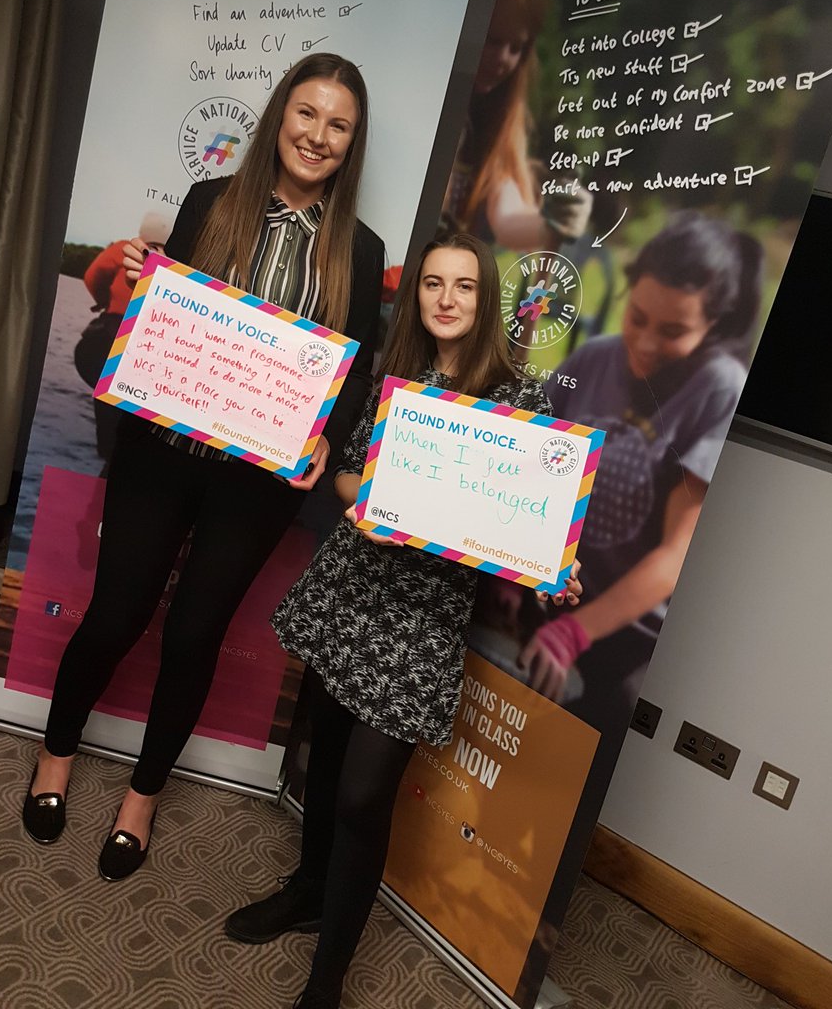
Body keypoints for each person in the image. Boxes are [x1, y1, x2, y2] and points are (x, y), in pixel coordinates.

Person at [21, 53, 385, 879]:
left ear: (351, 143)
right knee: (116, 617)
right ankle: (54, 756)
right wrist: (147, 297)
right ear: (279, 117)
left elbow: (354, 368)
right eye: (306, 114)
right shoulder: (210, 202)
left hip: (256, 486)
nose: (318, 136)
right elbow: (162, 323)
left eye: (338, 125)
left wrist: (329, 434)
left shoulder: (360, 249)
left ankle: (141, 799)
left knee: (193, 636)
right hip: (163, 453)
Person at [223, 235, 582, 1009]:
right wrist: (367, 497)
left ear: (489, 301)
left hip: (421, 622)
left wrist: (554, 565)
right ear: (416, 295)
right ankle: (308, 889)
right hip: (351, 591)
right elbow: (349, 473)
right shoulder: (399, 383)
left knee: (362, 798)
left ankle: (328, 981)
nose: (445, 299)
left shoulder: (523, 404)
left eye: (463, 286)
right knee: (320, 760)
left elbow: (530, 529)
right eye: (430, 284)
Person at [507, 214, 763, 757]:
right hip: (554, 590)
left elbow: (676, 555)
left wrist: (574, 633)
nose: (644, 344)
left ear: (712, 326)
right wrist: (513, 571)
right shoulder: (596, 357)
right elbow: (534, 474)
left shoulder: (718, 390)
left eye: (672, 331)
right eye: (637, 317)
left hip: (627, 636)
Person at [439, 0, 592, 252]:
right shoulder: (426, 97)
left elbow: (508, 220)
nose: (503, 59)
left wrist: (552, 221)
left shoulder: (503, 123)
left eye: (516, 47)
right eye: (493, 40)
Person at [74, 211, 171, 461]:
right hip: (137, 350)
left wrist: (105, 301)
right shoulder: (176, 264)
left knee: (110, 418)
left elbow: (92, 277)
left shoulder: (123, 249)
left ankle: (106, 456)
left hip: (107, 341)